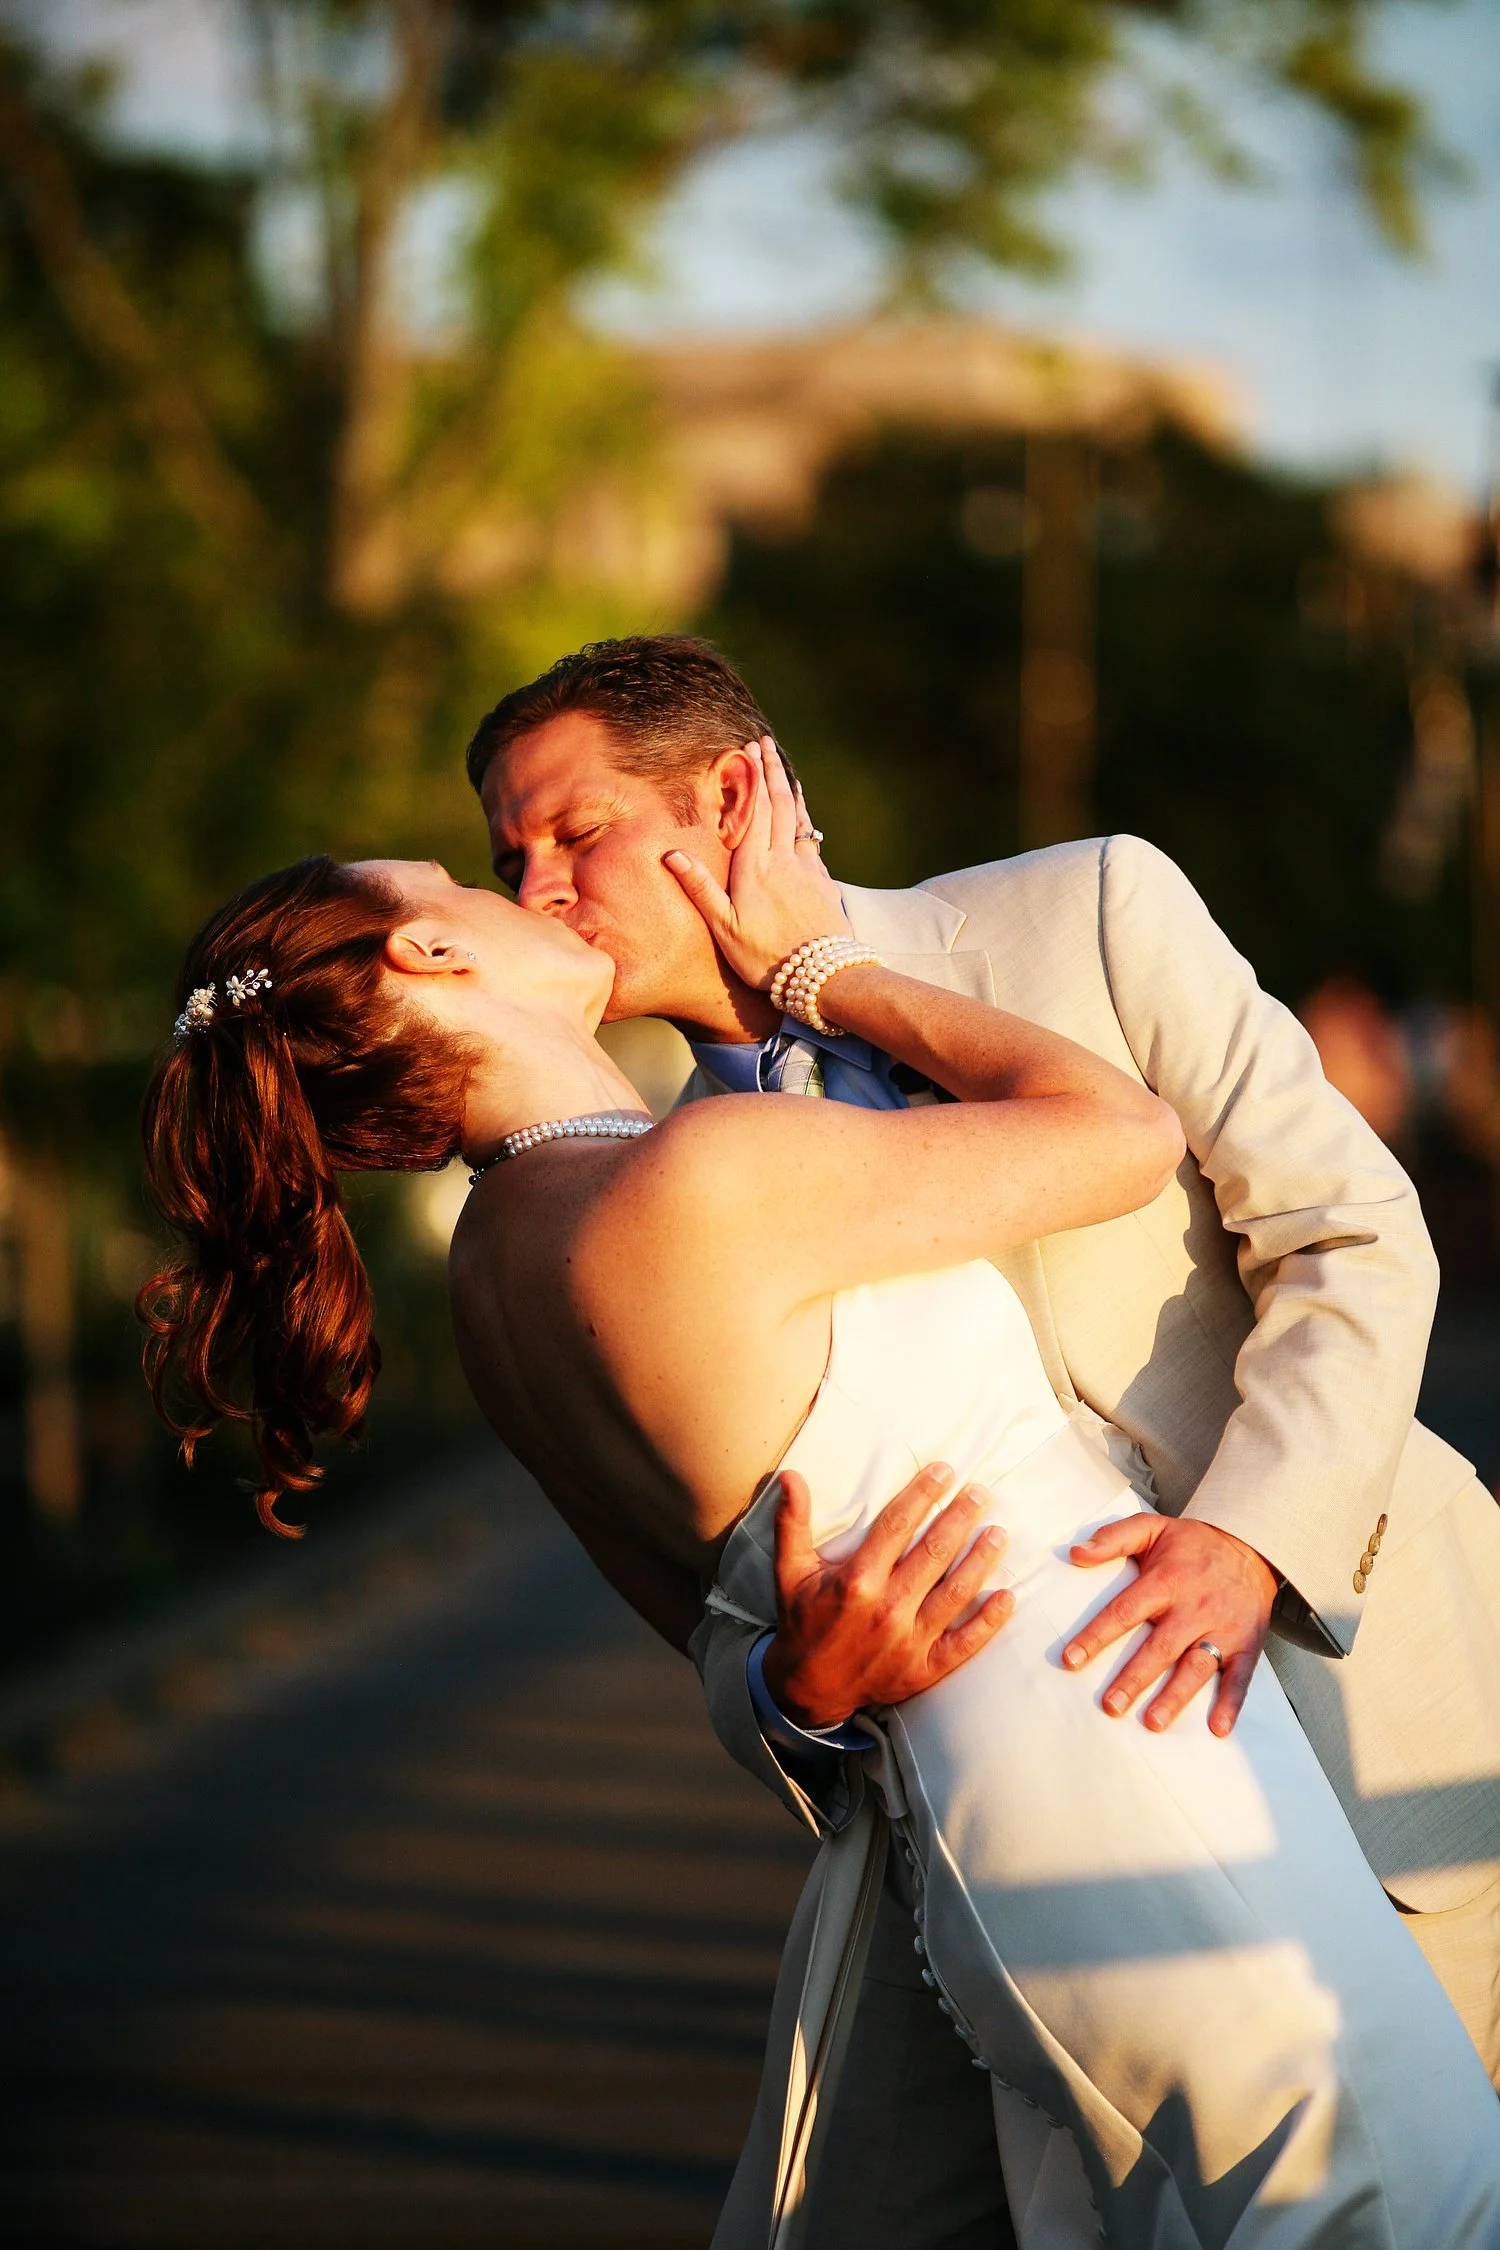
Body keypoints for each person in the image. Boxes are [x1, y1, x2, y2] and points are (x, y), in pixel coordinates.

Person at [139, 800, 1500, 2246]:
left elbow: (709, 1619)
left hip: (974, 1791)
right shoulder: (700, 1172)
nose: (519, 890)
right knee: (1409, 2194)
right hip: (1117, 1715)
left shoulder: (496, 1275)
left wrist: (799, 1690)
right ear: (427, 944)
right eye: (461, 878)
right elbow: (1119, 1131)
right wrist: (825, 970)